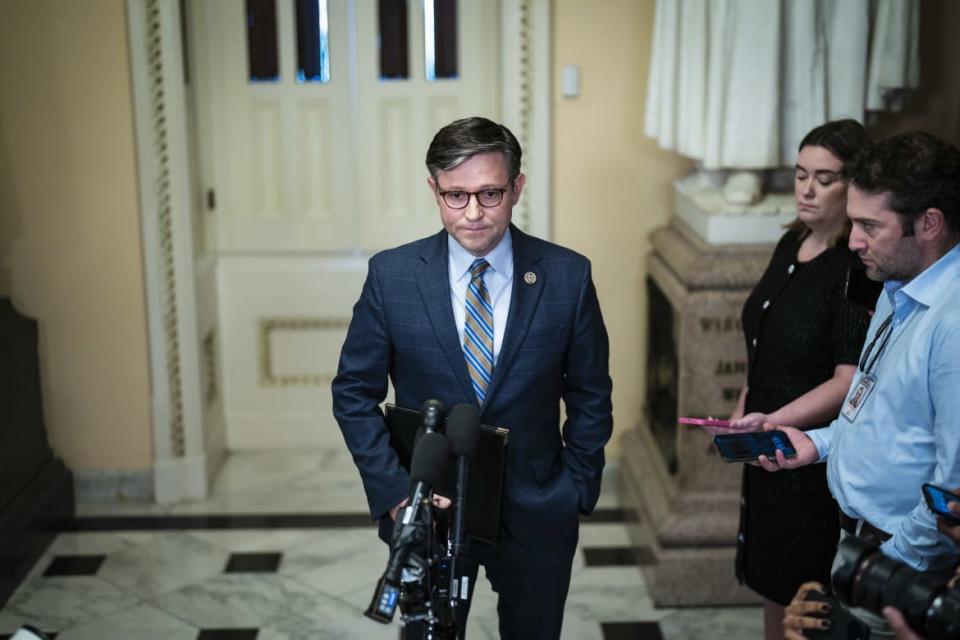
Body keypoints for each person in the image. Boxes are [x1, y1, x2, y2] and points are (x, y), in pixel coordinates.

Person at [332, 116, 613, 639]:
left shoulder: (567, 276)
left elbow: (591, 392)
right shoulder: (392, 276)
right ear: (433, 189)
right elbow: (353, 394)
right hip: (430, 509)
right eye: (455, 196)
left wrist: (575, 486)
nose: (474, 213)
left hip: (537, 507)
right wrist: (397, 494)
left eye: (490, 193)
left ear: (517, 188)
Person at [759, 131, 960, 638]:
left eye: (870, 225)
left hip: (903, 571)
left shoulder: (953, 325)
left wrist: (875, 571)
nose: (853, 241)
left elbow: (951, 490)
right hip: (858, 545)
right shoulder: (897, 283)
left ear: (929, 223)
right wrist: (818, 444)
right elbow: (876, 410)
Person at [705, 119, 874, 640]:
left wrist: (773, 421)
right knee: (771, 586)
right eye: (801, 174)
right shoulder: (791, 243)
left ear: (856, 185)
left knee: (803, 596)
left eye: (825, 179)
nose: (806, 189)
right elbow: (762, 345)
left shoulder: (856, 266)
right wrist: (743, 412)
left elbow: (848, 378)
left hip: (810, 455)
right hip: (766, 446)